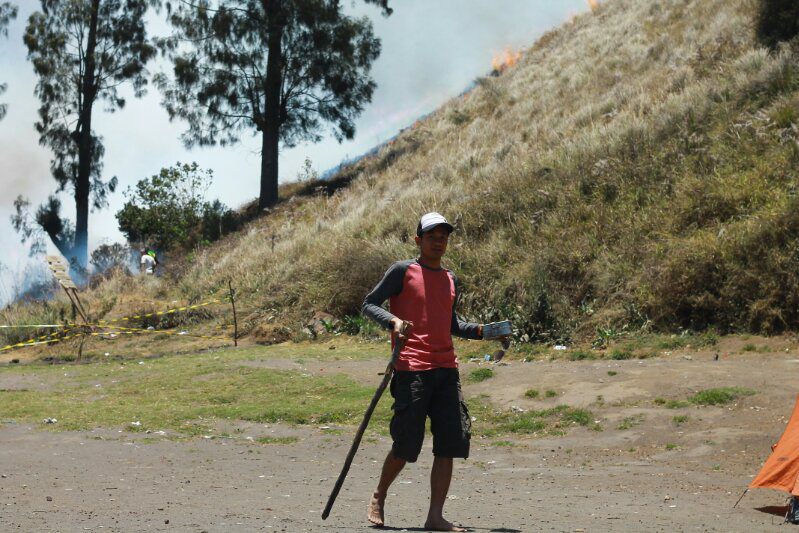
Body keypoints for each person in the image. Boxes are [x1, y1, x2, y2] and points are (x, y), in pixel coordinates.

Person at [362, 212, 496, 532]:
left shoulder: (451, 279)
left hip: (446, 369)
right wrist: (392, 322)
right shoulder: (402, 271)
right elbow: (369, 303)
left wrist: (485, 331)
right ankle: (379, 495)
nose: (439, 241)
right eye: (432, 236)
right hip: (411, 369)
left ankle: (435, 517)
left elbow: (452, 326)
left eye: (444, 236)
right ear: (418, 239)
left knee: (449, 443)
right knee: (407, 444)